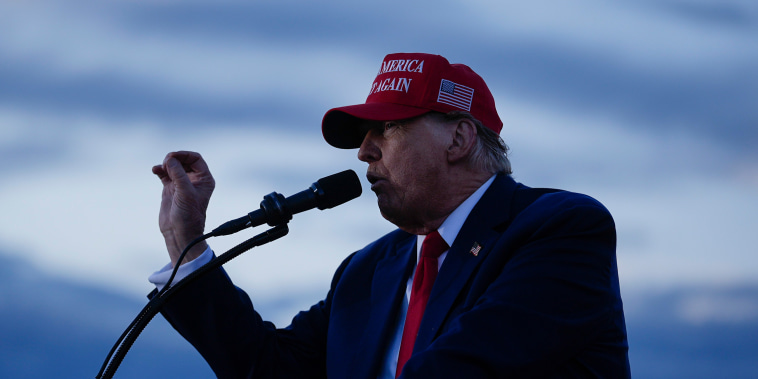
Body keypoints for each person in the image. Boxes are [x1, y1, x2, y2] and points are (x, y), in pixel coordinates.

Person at [149, 52, 631, 378]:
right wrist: (185, 245)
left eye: (388, 128)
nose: (364, 152)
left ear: (459, 140)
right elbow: (269, 369)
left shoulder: (561, 229)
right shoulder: (366, 270)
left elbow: (467, 367)